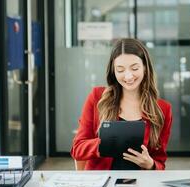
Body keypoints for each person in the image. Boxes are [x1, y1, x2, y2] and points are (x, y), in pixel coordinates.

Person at [71, 38, 173, 170]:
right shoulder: (97, 98)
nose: (128, 76)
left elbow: (160, 162)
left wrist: (150, 164)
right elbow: (77, 149)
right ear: (113, 71)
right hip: (103, 184)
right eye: (120, 70)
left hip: (140, 184)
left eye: (134, 68)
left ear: (145, 68)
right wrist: (103, 144)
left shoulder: (163, 109)